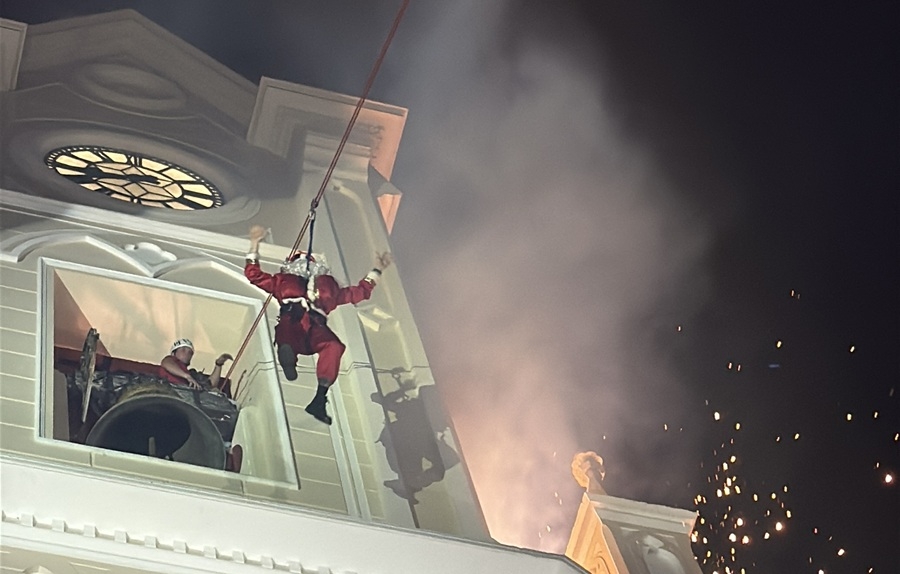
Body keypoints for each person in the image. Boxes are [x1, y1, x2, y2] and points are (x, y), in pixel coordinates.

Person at [244, 224, 392, 425]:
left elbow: (359, 292)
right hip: (293, 318)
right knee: (288, 332)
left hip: (317, 327)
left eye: (308, 259)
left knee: (334, 346)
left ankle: (320, 398)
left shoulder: (330, 288)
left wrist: (377, 269)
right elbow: (254, 275)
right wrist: (254, 244)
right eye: (299, 259)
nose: (304, 261)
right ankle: (288, 357)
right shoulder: (280, 282)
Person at [159, 338, 233, 390]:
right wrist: (187, 376)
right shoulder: (170, 361)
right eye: (183, 350)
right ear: (173, 353)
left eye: (190, 352)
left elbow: (211, 384)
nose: (187, 354)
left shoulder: (192, 375)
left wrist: (218, 365)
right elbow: (166, 363)